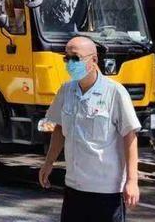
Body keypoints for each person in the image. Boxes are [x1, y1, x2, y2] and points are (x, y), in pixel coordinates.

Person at [39, 36, 141, 222]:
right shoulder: (66, 91)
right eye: (66, 58)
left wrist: (132, 181)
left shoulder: (115, 93)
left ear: (93, 60)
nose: (70, 63)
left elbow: (130, 136)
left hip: (106, 192)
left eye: (75, 58)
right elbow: (59, 129)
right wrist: (48, 163)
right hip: (74, 188)